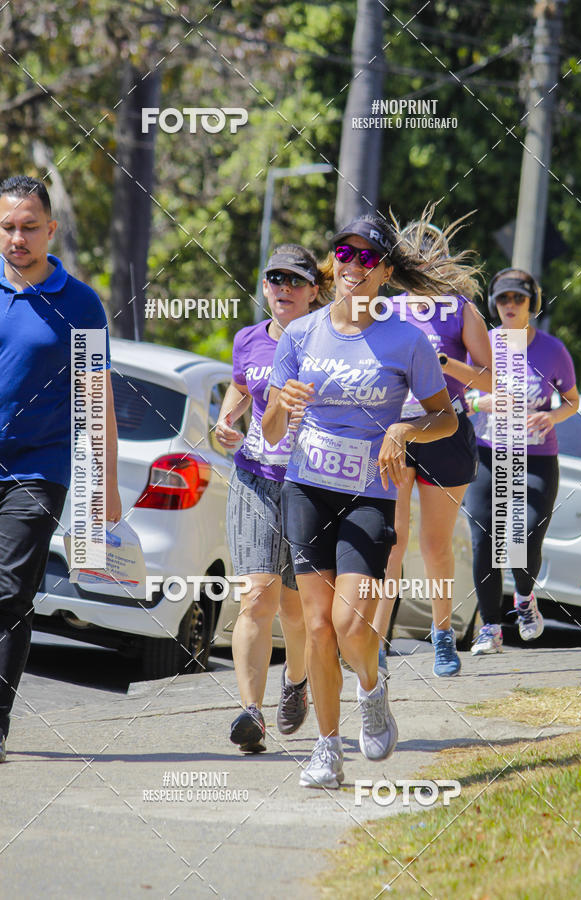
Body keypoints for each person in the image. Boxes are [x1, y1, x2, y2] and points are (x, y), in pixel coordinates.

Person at [263, 213, 461, 789]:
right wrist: (284, 402)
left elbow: (444, 418)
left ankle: (371, 688)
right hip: (306, 487)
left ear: (386, 273)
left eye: (366, 258)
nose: (353, 266)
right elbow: (273, 431)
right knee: (319, 627)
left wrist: (403, 431)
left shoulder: (407, 340)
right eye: (344, 255)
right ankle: (328, 749)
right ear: (333, 263)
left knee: (351, 626)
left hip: (369, 495)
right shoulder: (301, 334)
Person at [0, 175, 121, 762]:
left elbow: (96, 398)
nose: (17, 238)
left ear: (51, 229)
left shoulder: (80, 304)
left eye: (29, 227)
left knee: (9, 593)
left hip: (37, 469)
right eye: (8, 227)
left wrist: (105, 490)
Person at [215, 244, 328, 753]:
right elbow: (241, 388)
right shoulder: (248, 339)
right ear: (263, 287)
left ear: (313, 292)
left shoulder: (330, 343)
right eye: (275, 279)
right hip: (255, 479)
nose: (283, 288)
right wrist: (225, 421)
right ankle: (251, 713)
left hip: (309, 483)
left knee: (296, 607)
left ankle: (297, 682)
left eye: (295, 281)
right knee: (257, 596)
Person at [371, 214, 491, 677]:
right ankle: (377, 640)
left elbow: (492, 377)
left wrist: (445, 364)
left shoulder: (461, 309)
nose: (423, 265)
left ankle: (443, 637)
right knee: (392, 540)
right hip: (398, 431)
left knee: (435, 542)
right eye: (413, 258)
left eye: (430, 256)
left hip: (446, 431)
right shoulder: (388, 309)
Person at [462, 268, 579, 653]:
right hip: (488, 453)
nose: (510, 305)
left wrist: (553, 415)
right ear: (494, 305)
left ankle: (525, 599)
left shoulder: (552, 350)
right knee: (484, 540)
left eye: (519, 299)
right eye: (503, 299)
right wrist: (485, 401)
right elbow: (459, 398)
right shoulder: (483, 346)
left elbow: (572, 400)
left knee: (524, 536)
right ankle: (490, 627)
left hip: (537, 457)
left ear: (532, 304)